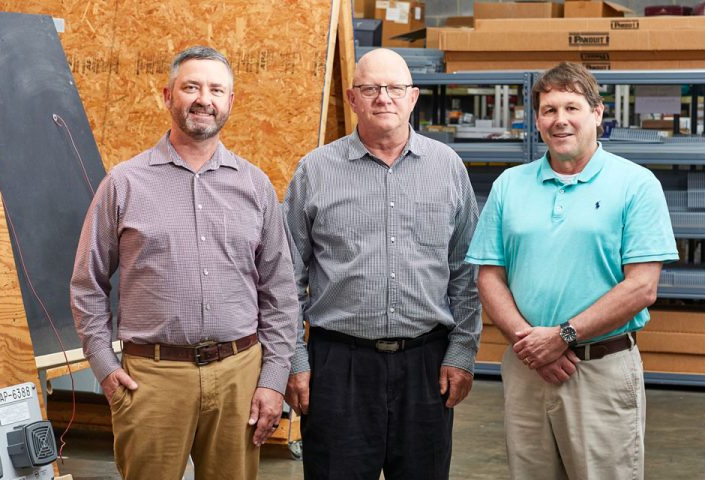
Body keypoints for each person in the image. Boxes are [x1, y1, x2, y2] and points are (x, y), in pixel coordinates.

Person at [70, 45, 298, 480]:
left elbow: (281, 291)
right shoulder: (124, 184)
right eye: (191, 86)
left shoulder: (255, 185)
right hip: (152, 379)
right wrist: (103, 364)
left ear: (231, 102)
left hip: (239, 376)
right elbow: (87, 283)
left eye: (216, 89)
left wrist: (272, 379)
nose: (203, 99)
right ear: (167, 95)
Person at [466, 62, 678, 480]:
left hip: (599, 370)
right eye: (548, 110)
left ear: (597, 114)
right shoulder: (510, 184)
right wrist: (532, 346)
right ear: (537, 120)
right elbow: (489, 275)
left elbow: (641, 287)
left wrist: (563, 336)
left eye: (572, 107)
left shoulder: (636, 185)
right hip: (527, 368)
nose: (560, 120)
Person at [282, 48, 481, 480]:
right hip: (339, 367)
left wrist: (463, 351)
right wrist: (295, 361)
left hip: (427, 366)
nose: (383, 98)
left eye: (394, 88)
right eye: (371, 89)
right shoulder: (314, 172)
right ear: (353, 99)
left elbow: (466, 270)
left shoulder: (447, 168)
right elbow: (286, 278)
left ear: (413, 97)